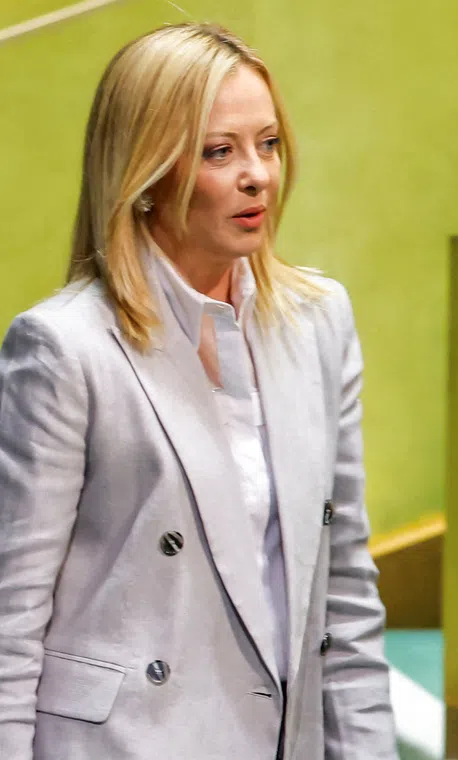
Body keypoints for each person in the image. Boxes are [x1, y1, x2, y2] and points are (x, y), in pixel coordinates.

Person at [0, 22, 396, 760]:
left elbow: (342, 594)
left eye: (268, 143)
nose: (259, 175)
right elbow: (9, 623)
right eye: (220, 151)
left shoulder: (319, 322)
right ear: (145, 175)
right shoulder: (63, 348)